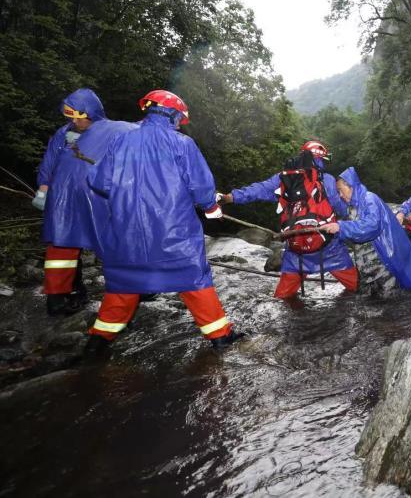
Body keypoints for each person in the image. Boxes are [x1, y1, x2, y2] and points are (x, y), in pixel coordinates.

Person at [85, 90, 241, 351]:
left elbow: (98, 181)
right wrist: (211, 207)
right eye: (180, 118)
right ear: (172, 114)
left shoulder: (120, 141)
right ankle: (221, 337)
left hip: (126, 230)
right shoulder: (182, 144)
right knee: (194, 279)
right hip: (173, 229)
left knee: (123, 282)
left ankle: (97, 342)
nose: (180, 123)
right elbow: (201, 186)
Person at [32, 88, 137, 316]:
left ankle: (133, 286)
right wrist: (43, 188)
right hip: (63, 196)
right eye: (70, 116)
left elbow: (141, 132)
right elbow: (49, 162)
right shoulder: (63, 133)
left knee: (112, 239)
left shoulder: (114, 129)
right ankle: (57, 299)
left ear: (92, 112)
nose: (74, 121)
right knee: (62, 244)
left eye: (78, 116)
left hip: (96, 194)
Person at [220, 140, 359, 297]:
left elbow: (258, 190)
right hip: (329, 248)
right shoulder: (326, 179)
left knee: (282, 297)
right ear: (319, 159)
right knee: (358, 288)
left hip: (295, 249)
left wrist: (230, 197)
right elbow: (341, 208)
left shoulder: (284, 179)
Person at [317, 167, 411, 290]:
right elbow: (354, 232)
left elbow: (372, 226)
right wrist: (337, 231)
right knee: (371, 301)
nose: (340, 195)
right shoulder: (351, 206)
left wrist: (341, 227)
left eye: (340, 190)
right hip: (365, 265)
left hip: (382, 262)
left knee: (390, 300)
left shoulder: (369, 199)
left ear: (350, 185)